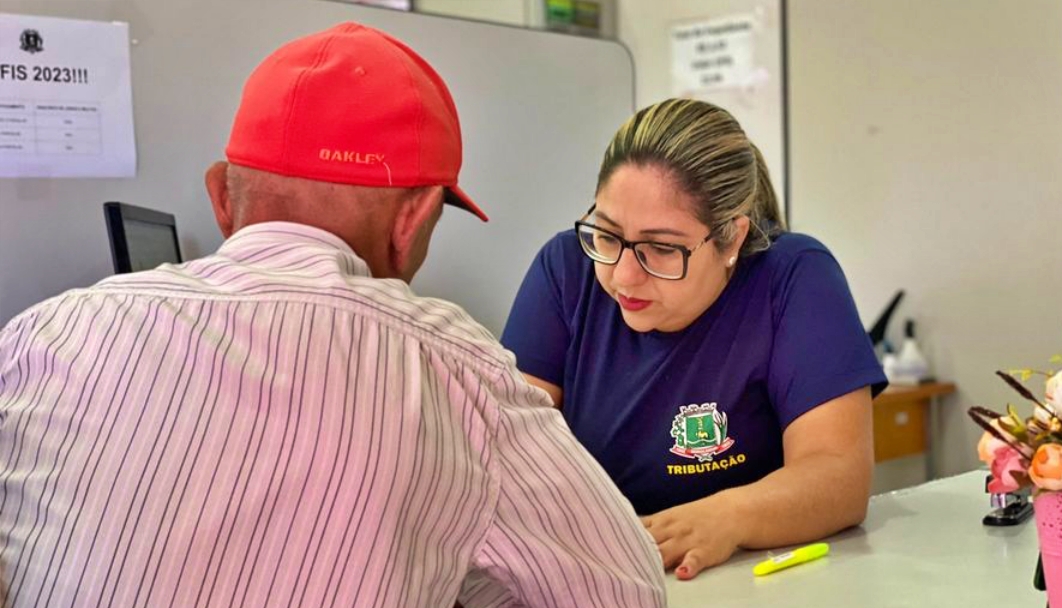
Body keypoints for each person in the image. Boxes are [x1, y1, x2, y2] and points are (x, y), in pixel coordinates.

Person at [0, 23, 665, 607]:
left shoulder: (41, 337)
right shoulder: (458, 373)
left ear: (221, 200)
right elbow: (621, 593)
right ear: (414, 221)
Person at [501, 98, 887, 581]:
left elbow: (839, 476)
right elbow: (508, 455)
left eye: (661, 249)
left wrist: (729, 516)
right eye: (605, 235)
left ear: (731, 239)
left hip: (752, 580)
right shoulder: (566, 271)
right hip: (605, 576)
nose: (623, 275)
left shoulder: (792, 276)